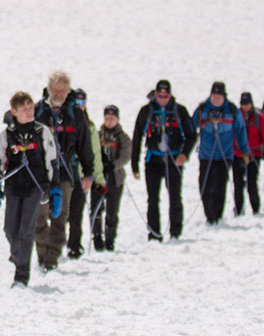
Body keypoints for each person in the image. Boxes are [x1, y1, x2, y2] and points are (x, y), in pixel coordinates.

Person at [0, 92, 62, 285]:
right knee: (10, 229)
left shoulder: (42, 132)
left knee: (26, 230)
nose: (29, 112)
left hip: (35, 186)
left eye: (31, 108)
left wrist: (55, 189)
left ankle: (21, 275)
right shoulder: (7, 135)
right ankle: (18, 255)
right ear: (14, 112)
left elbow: (52, 161)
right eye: (24, 109)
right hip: (14, 186)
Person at [34, 72, 95, 266]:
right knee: (39, 218)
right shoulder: (37, 111)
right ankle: (42, 254)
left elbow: (85, 145)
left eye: (62, 90)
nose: (58, 94)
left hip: (66, 173)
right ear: (49, 89)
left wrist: (89, 173)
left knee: (60, 218)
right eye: (55, 90)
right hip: (41, 174)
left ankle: (52, 259)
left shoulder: (75, 114)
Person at [131, 80, 194, 240]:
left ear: (170, 95)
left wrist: (184, 154)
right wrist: (134, 164)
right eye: (160, 96)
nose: (163, 99)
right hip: (153, 160)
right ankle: (154, 233)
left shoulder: (180, 111)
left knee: (175, 196)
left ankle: (175, 231)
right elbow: (137, 136)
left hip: (173, 160)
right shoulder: (147, 111)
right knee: (152, 199)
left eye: (166, 96)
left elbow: (192, 134)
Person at [191, 82, 245, 225]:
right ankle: (209, 215)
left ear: (224, 96)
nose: (216, 98)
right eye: (214, 95)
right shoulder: (203, 109)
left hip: (224, 155)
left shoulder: (232, 110)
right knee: (205, 186)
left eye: (219, 96)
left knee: (220, 186)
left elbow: (241, 130)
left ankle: (217, 216)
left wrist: (244, 151)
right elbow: (191, 127)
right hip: (206, 155)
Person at [90, 104, 131, 251]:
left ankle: (110, 238)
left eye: (112, 118)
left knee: (112, 210)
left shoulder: (122, 137)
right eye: (107, 118)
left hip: (115, 178)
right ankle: (96, 237)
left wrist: (114, 165)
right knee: (96, 207)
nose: (109, 121)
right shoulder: (98, 134)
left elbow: (126, 155)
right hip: (100, 178)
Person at [238, 91, 264, 215]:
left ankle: (255, 207)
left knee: (252, 182)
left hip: (254, 154)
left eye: (247, 103)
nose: (245, 106)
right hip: (239, 154)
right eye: (243, 104)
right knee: (238, 183)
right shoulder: (236, 116)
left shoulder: (259, 117)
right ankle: (239, 208)